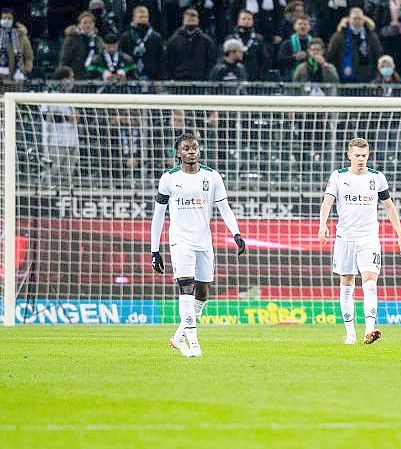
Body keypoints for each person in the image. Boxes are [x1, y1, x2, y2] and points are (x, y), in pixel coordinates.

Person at [151, 133, 247, 357]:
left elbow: (224, 208)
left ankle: (178, 338)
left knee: (202, 292)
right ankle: (194, 344)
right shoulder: (169, 178)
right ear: (178, 152)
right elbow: (158, 216)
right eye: (186, 148)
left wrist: (237, 234)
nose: (191, 151)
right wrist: (154, 250)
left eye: (194, 147)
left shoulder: (212, 176)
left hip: (204, 241)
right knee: (186, 287)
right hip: (180, 240)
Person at [318, 137, 401, 345]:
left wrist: (400, 234)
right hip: (345, 238)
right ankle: (350, 332)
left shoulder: (377, 177)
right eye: (357, 155)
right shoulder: (338, 176)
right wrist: (323, 224)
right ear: (349, 155)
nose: (360, 159)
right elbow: (327, 202)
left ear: (368, 155)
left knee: (370, 282)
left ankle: (369, 329)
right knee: (347, 284)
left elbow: (389, 206)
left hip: (369, 237)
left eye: (364, 155)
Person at [326, 7, 383, 83]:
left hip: (367, 79)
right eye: (354, 18)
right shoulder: (339, 36)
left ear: (363, 20)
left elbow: (378, 55)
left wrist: (375, 76)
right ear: (349, 19)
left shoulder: (371, 36)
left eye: (359, 19)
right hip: (344, 79)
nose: (357, 21)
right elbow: (331, 55)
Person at [163, 8, 217, 81]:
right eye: (188, 18)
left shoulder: (207, 41)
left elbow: (211, 63)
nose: (191, 19)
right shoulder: (173, 41)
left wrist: (207, 78)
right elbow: (168, 62)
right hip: (178, 81)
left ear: (198, 20)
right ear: (183, 20)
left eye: (193, 17)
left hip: (200, 82)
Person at [119, 5, 163, 81]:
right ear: (134, 18)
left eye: (145, 17)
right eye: (140, 17)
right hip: (130, 76)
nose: (143, 19)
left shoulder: (156, 37)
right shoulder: (126, 36)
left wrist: (160, 78)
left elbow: (160, 58)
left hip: (151, 76)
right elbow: (121, 56)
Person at [59, 11, 106, 80]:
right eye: (85, 22)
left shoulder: (98, 40)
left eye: (90, 22)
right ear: (79, 25)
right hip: (75, 77)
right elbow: (64, 59)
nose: (88, 25)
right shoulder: (71, 38)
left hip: (95, 78)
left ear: (94, 24)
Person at [226, 10, 271, 81]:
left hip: (255, 79)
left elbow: (265, 59)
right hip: (234, 78)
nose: (246, 21)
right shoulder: (231, 39)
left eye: (249, 19)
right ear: (238, 21)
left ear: (253, 21)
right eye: (243, 19)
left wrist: (261, 77)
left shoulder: (258, 39)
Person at [0, 8, 33, 81]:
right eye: (4, 18)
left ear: (13, 20)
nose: (6, 20)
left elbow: (29, 57)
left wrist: (26, 70)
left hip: (18, 77)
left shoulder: (21, 36)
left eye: (9, 18)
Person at [277, 15, 312, 79]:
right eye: (300, 24)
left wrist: (307, 56)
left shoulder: (314, 43)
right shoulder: (287, 43)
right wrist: (294, 57)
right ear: (294, 26)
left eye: (305, 24)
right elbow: (280, 60)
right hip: (290, 78)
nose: (302, 26)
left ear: (310, 27)